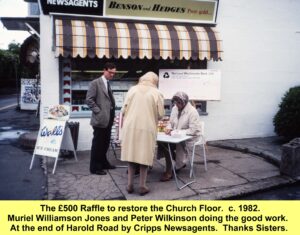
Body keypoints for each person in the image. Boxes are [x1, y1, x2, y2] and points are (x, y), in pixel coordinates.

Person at [121, 72, 165, 196]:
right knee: (144, 157)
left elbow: (124, 110)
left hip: (130, 127)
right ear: (154, 81)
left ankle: (129, 185)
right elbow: (161, 114)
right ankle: (142, 186)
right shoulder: (157, 93)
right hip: (147, 127)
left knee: (131, 155)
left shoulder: (132, 89)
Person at [158, 91, 202, 182]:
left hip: (190, 137)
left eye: (179, 102)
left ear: (185, 102)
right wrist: (169, 128)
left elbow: (193, 130)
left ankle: (169, 171)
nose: (176, 104)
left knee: (168, 145)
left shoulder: (192, 112)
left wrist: (177, 132)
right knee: (162, 143)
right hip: (177, 136)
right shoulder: (175, 108)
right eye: (175, 102)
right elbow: (171, 122)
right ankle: (179, 163)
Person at [86, 62, 116, 175]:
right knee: (98, 144)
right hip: (100, 119)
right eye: (110, 72)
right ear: (104, 70)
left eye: (114, 73)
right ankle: (95, 167)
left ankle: (104, 163)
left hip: (108, 119)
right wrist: (99, 111)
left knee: (105, 143)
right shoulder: (95, 83)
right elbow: (89, 100)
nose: (112, 75)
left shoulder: (107, 83)